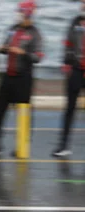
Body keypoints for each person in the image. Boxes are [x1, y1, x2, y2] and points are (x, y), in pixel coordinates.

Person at [0, 0, 43, 156]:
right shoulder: (12, 29)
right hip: (8, 76)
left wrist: (23, 53)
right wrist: (2, 48)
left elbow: (38, 57)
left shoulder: (35, 33)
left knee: (23, 112)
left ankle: (22, 144)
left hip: (23, 78)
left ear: (28, 14)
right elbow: (5, 46)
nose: (18, 15)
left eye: (21, 12)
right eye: (18, 12)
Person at [52, 0, 85, 158]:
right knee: (69, 109)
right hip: (76, 70)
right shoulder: (75, 22)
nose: (83, 4)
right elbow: (68, 43)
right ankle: (63, 146)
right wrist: (66, 63)